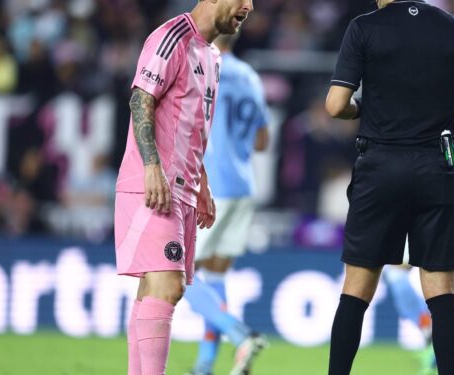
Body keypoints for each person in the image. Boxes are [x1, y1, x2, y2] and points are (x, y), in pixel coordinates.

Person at [325, 1, 454, 374]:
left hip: (380, 166)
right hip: (436, 166)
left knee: (356, 290)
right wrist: (437, 106)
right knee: (442, 291)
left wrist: (366, 108)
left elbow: (336, 105)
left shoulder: (363, 27)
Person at [113, 1, 253, 375]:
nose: (249, 6)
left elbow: (191, 125)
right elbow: (140, 98)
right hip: (154, 186)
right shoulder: (172, 36)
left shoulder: (213, 56)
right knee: (168, 288)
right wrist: (152, 167)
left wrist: (201, 181)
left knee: (153, 290)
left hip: (184, 188)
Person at [183, 33, 269, 375]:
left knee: (180, 274)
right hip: (245, 186)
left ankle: (240, 334)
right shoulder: (250, 75)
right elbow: (262, 141)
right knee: (215, 276)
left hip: (211, 186)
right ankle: (204, 367)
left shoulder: (203, 67)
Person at [383, 110, 454, 375]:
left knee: (397, 273)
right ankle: (446, 352)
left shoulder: (436, 86)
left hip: (429, 196)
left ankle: (427, 329)